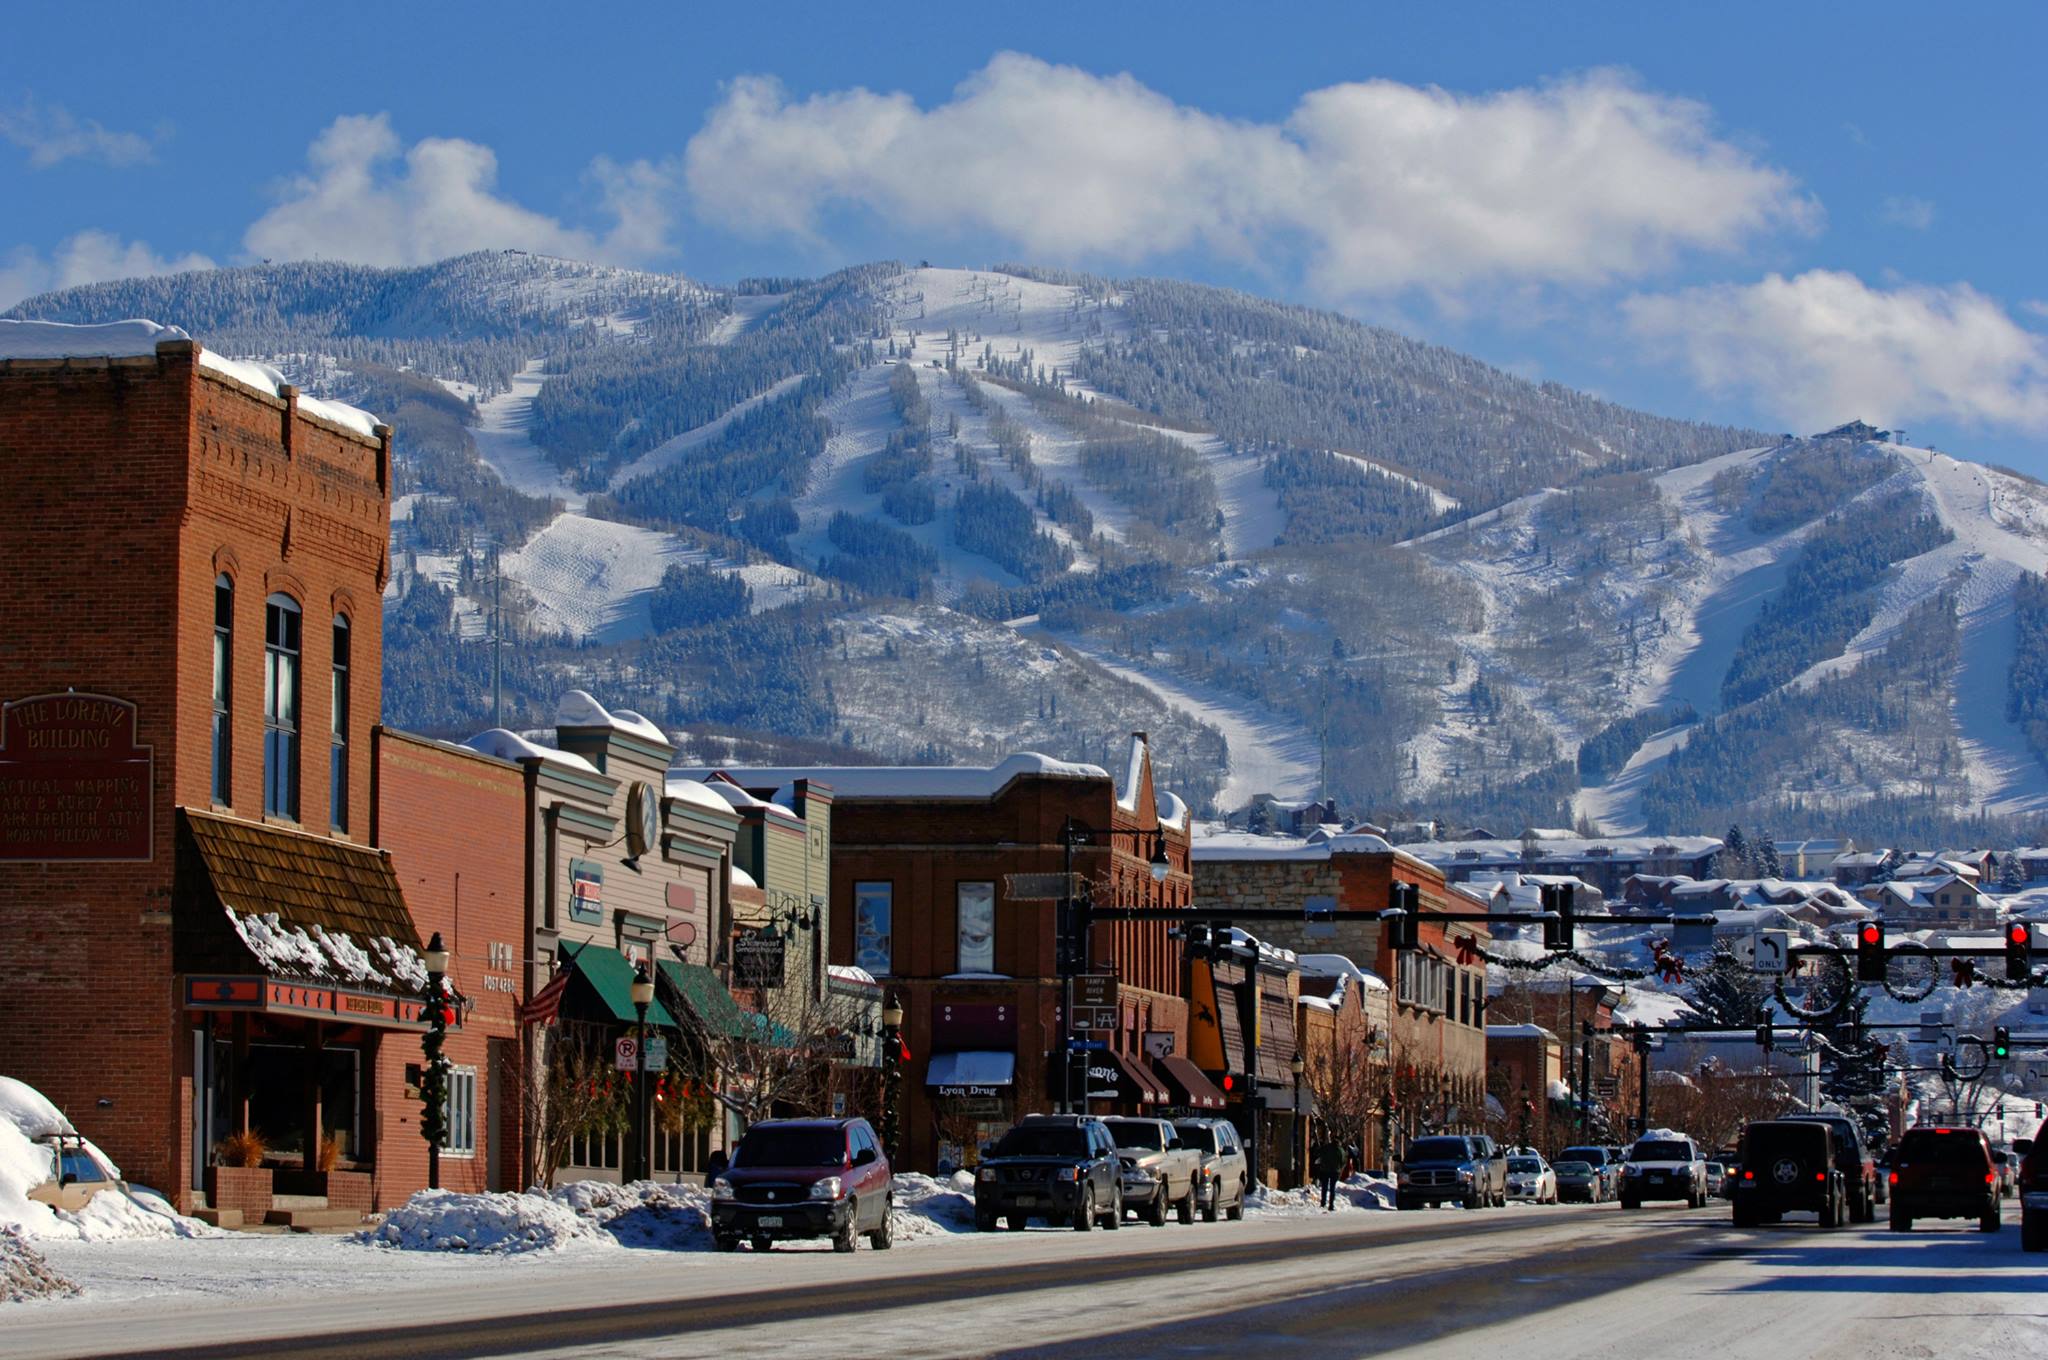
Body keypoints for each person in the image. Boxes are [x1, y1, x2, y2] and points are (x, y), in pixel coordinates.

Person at [1314, 1140, 1345, 1211]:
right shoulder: (1340, 1150)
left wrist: (1322, 1163)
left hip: (1325, 1170)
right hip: (1335, 1171)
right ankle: (1331, 1205)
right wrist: (1339, 1168)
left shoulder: (1326, 1148)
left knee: (1324, 1187)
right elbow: (1343, 1160)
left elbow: (1318, 1153)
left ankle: (1323, 1203)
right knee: (1332, 1188)